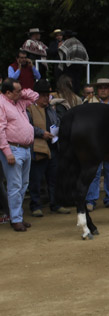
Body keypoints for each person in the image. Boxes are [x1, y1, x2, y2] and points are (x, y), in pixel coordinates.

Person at [27, 79, 70, 217]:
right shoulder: (29, 109)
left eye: (47, 95)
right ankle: (35, 205)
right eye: (44, 95)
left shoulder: (50, 109)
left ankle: (55, 204)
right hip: (38, 148)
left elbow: (57, 122)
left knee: (54, 179)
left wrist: (57, 130)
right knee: (36, 180)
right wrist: (41, 133)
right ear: (36, 95)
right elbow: (27, 127)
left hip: (52, 147)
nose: (47, 98)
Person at [0, 78, 39, 232]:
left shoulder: (19, 101)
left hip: (25, 148)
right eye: (17, 91)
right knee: (15, 185)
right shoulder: (2, 104)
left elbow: (35, 96)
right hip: (13, 148)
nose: (21, 93)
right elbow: (0, 130)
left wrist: (21, 93)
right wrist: (7, 152)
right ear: (8, 92)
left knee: (23, 184)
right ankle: (15, 218)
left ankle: (18, 216)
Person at [85, 78, 109, 211]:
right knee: (94, 172)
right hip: (95, 143)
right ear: (97, 90)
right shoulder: (89, 104)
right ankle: (91, 200)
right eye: (100, 88)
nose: (103, 90)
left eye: (105, 87)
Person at [58, 30, 88, 94]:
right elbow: (85, 54)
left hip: (70, 65)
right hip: (79, 65)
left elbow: (62, 51)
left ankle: (70, 94)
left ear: (65, 36)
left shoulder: (67, 42)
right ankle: (76, 94)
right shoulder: (78, 42)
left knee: (69, 81)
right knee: (77, 81)